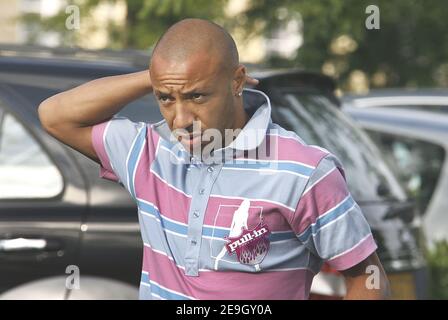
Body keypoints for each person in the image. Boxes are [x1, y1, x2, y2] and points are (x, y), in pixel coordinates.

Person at [38, 18, 390, 300]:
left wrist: (172, 81)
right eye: (165, 98)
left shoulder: (305, 171)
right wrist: (160, 76)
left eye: (197, 95)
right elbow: (55, 115)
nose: (180, 119)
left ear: (237, 81)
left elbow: (367, 278)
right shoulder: (146, 150)